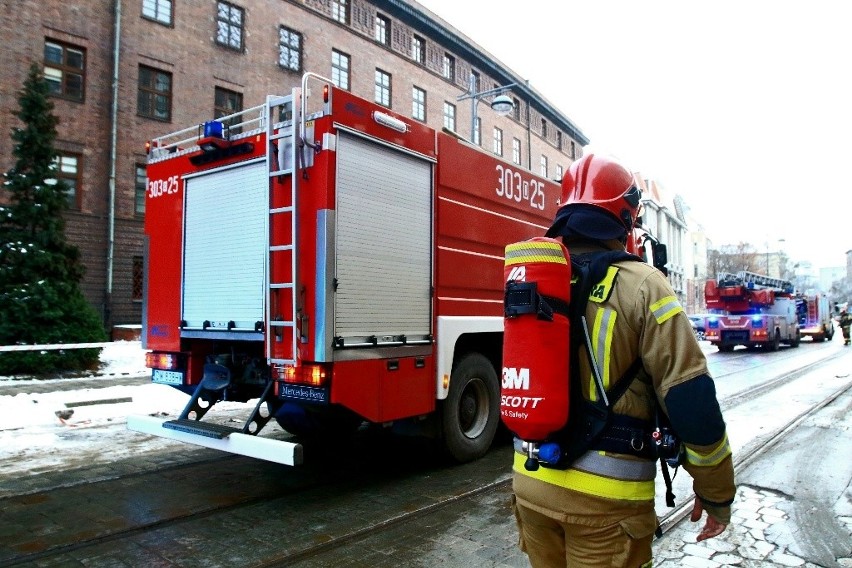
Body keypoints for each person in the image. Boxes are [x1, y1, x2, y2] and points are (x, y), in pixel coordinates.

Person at [511, 154, 736, 567]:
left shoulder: (536, 277)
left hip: (531, 485)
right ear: (627, 216)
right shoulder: (644, 285)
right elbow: (691, 398)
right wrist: (717, 491)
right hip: (605, 506)